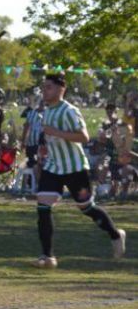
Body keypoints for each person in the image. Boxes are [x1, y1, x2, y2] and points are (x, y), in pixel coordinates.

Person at [31, 74, 126, 268]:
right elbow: (49, 137)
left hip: (74, 168)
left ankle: (116, 234)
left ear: (61, 89)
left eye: (49, 87)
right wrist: (44, 150)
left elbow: (83, 137)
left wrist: (55, 133)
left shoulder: (69, 111)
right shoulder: (47, 111)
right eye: (43, 87)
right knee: (43, 207)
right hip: (53, 167)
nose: (44, 91)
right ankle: (47, 257)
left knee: (87, 208)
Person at [20, 95, 44, 191]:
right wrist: (23, 141)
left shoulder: (48, 114)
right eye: (41, 103)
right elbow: (26, 128)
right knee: (33, 163)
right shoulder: (31, 114)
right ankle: (34, 184)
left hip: (43, 144)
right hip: (32, 144)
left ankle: (40, 183)